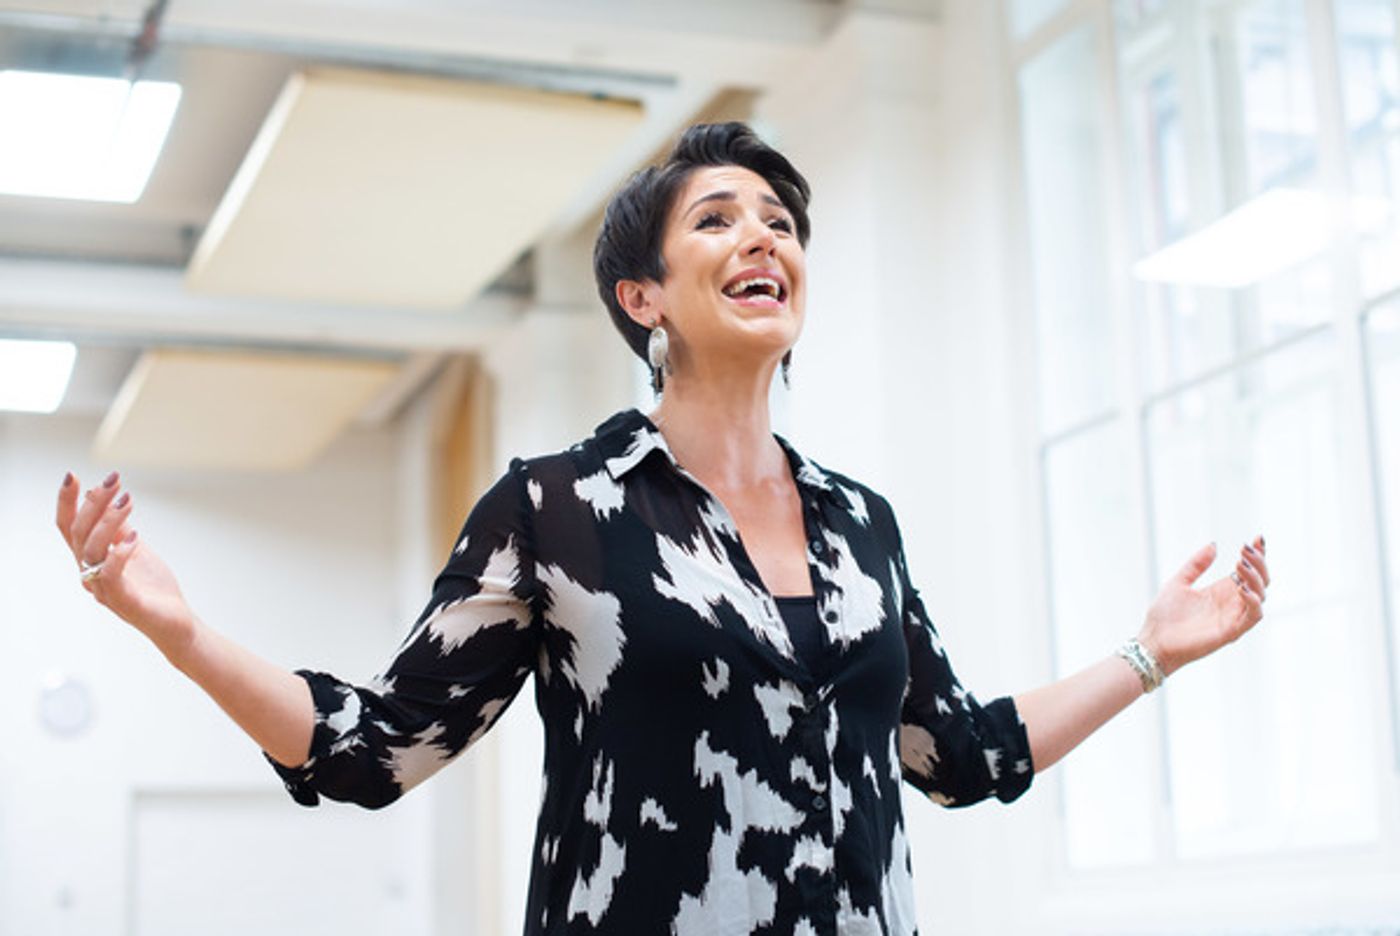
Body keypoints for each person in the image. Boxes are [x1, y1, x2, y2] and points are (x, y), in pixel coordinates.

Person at [55, 122, 1270, 935]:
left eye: (781, 224)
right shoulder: (555, 509)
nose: (764, 238)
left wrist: (1148, 651)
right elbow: (372, 750)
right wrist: (178, 630)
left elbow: (952, 757)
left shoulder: (862, 526)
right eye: (719, 221)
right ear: (643, 299)